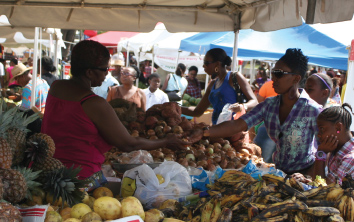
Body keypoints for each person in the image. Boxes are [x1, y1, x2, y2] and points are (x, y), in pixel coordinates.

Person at [41, 40, 189, 180]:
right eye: (105, 69)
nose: (107, 73)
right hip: (81, 179)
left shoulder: (56, 87)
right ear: (89, 73)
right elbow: (129, 144)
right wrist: (166, 141)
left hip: (47, 170)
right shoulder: (94, 103)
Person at [189, 48, 323, 174]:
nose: (273, 79)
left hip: (306, 174)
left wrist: (311, 176)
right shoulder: (269, 105)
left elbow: (324, 149)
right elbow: (237, 125)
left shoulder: (313, 110)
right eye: (273, 73)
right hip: (279, 173)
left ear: (296, 78)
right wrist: (205, 132)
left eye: (279, 74)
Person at [182, 48, 257, 125]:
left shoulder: (234, 77)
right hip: (217, 131)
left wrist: (243, 106)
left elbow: (255, 102)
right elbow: (197, 112)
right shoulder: (212, 84)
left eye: (206, 63)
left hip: (235, 131)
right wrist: (176, 107)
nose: (203, 66)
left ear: (217, 64)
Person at [310, 104, 354, 185]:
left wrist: (321, 154)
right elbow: (321, 181)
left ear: (338, 128)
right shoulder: (335, 149)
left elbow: (326, 190)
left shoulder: (350, 159)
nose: (319, 134)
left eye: (322, 129)